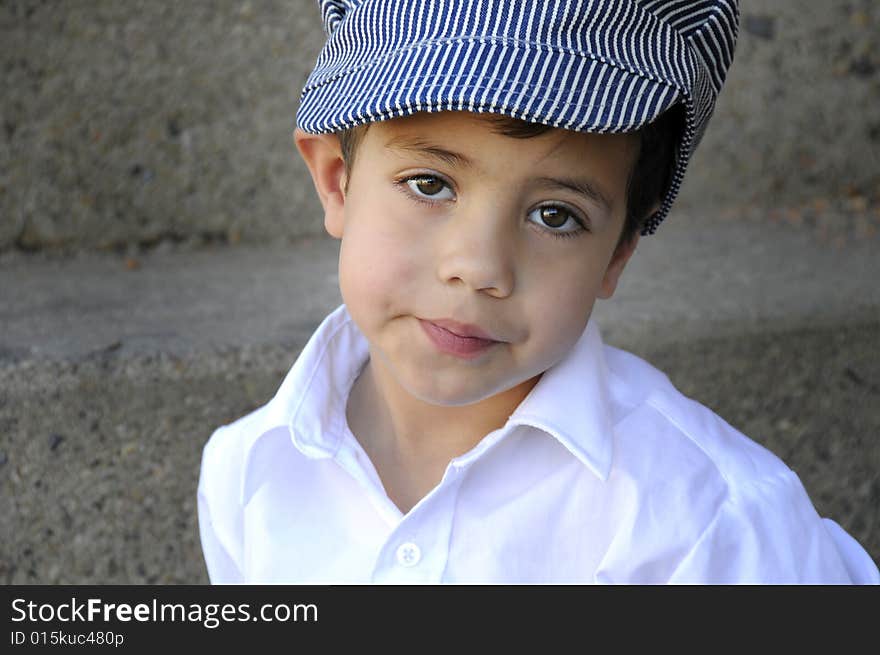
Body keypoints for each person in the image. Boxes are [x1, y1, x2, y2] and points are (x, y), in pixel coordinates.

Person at [197, 0, 879, 583]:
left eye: (556, 215)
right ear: (336, 180)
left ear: (617, 253)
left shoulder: (710, 520)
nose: (479, 265)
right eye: (430, 184)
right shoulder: (249, 471)